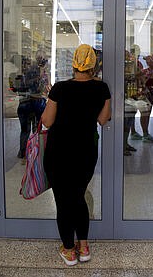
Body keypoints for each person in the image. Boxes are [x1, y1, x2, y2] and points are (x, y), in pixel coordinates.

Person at [41, 44, 111, 266]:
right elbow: (102, 119)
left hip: (58, 153)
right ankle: (84, 247)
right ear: (93, 66)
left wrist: (50, 99)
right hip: (85, 152)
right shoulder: (102, 89)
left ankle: (69, 251)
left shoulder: (59, 89)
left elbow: (47, 121)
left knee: (63, 201)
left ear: (74, 64)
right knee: (79, 198)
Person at [14, 54, 50, 160]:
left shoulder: (37, 74)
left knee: (27, 130)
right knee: (34, 129)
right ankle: (34, 151)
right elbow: (40, 89)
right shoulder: (35, 74)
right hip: (34, 104)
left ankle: (25, 152)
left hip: (27, 104)